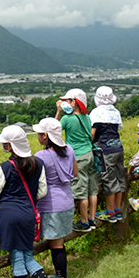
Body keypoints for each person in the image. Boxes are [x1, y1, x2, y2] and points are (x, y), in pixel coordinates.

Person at [0, 125, 51, 278]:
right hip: (28, 213)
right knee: (28, 257)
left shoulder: (4, 167)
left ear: (10, 145)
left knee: (17, 259)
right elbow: (42, 191)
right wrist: (27, 197)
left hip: (8, 216)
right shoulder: (38, 163)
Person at [33, 118, 77, 278]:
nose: (38, 136)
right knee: (58, 242)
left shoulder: (41, 156)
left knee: (56, 244)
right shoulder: (70, 150)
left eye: (39, 133)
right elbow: (75, 173)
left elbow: (35, 181)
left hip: (50, 205)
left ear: (45, 135)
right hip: (67, 201)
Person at [55, 89, 97, 232]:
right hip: (90, 154)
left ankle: (84, 222)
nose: (64, 103)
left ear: (74, 102)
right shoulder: (87, 117)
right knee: (92, 190)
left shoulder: (67, 119)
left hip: (78, 157)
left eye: (67, 100)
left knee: (81, 192)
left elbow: (53, 130)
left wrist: (58, 111)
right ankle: (92, 219)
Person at [90, 86, 125, 223]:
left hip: (105, 150)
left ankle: (110, 212)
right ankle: (118, 210)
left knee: (109, 180)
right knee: (120, 177)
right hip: (118, 147)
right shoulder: (115, 111)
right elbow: (118, 128)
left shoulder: (96, 113)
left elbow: (92, 133)